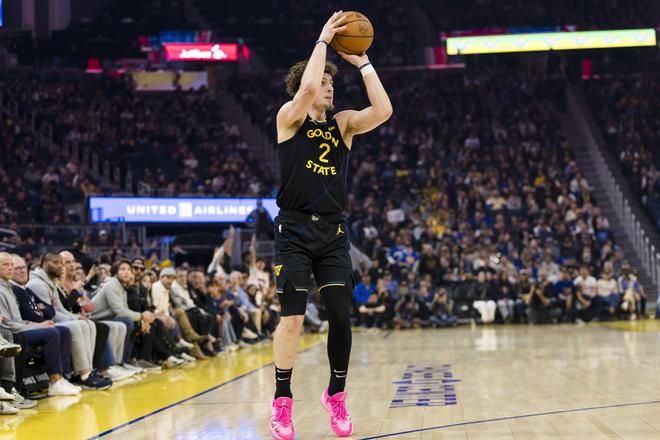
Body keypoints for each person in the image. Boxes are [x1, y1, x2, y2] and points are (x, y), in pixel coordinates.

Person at [269, 11, 393, 440]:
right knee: (292, 320)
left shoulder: (342, 125)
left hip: (333, 232)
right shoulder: (290, 118)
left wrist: (364, 63)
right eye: (325, 81)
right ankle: (282, 402)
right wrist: (322, 40)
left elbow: (384, 110)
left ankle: (335, 395)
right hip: (293, 231)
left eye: (331, 83)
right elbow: (306, 89)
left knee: (341, 316)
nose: (329, 87)